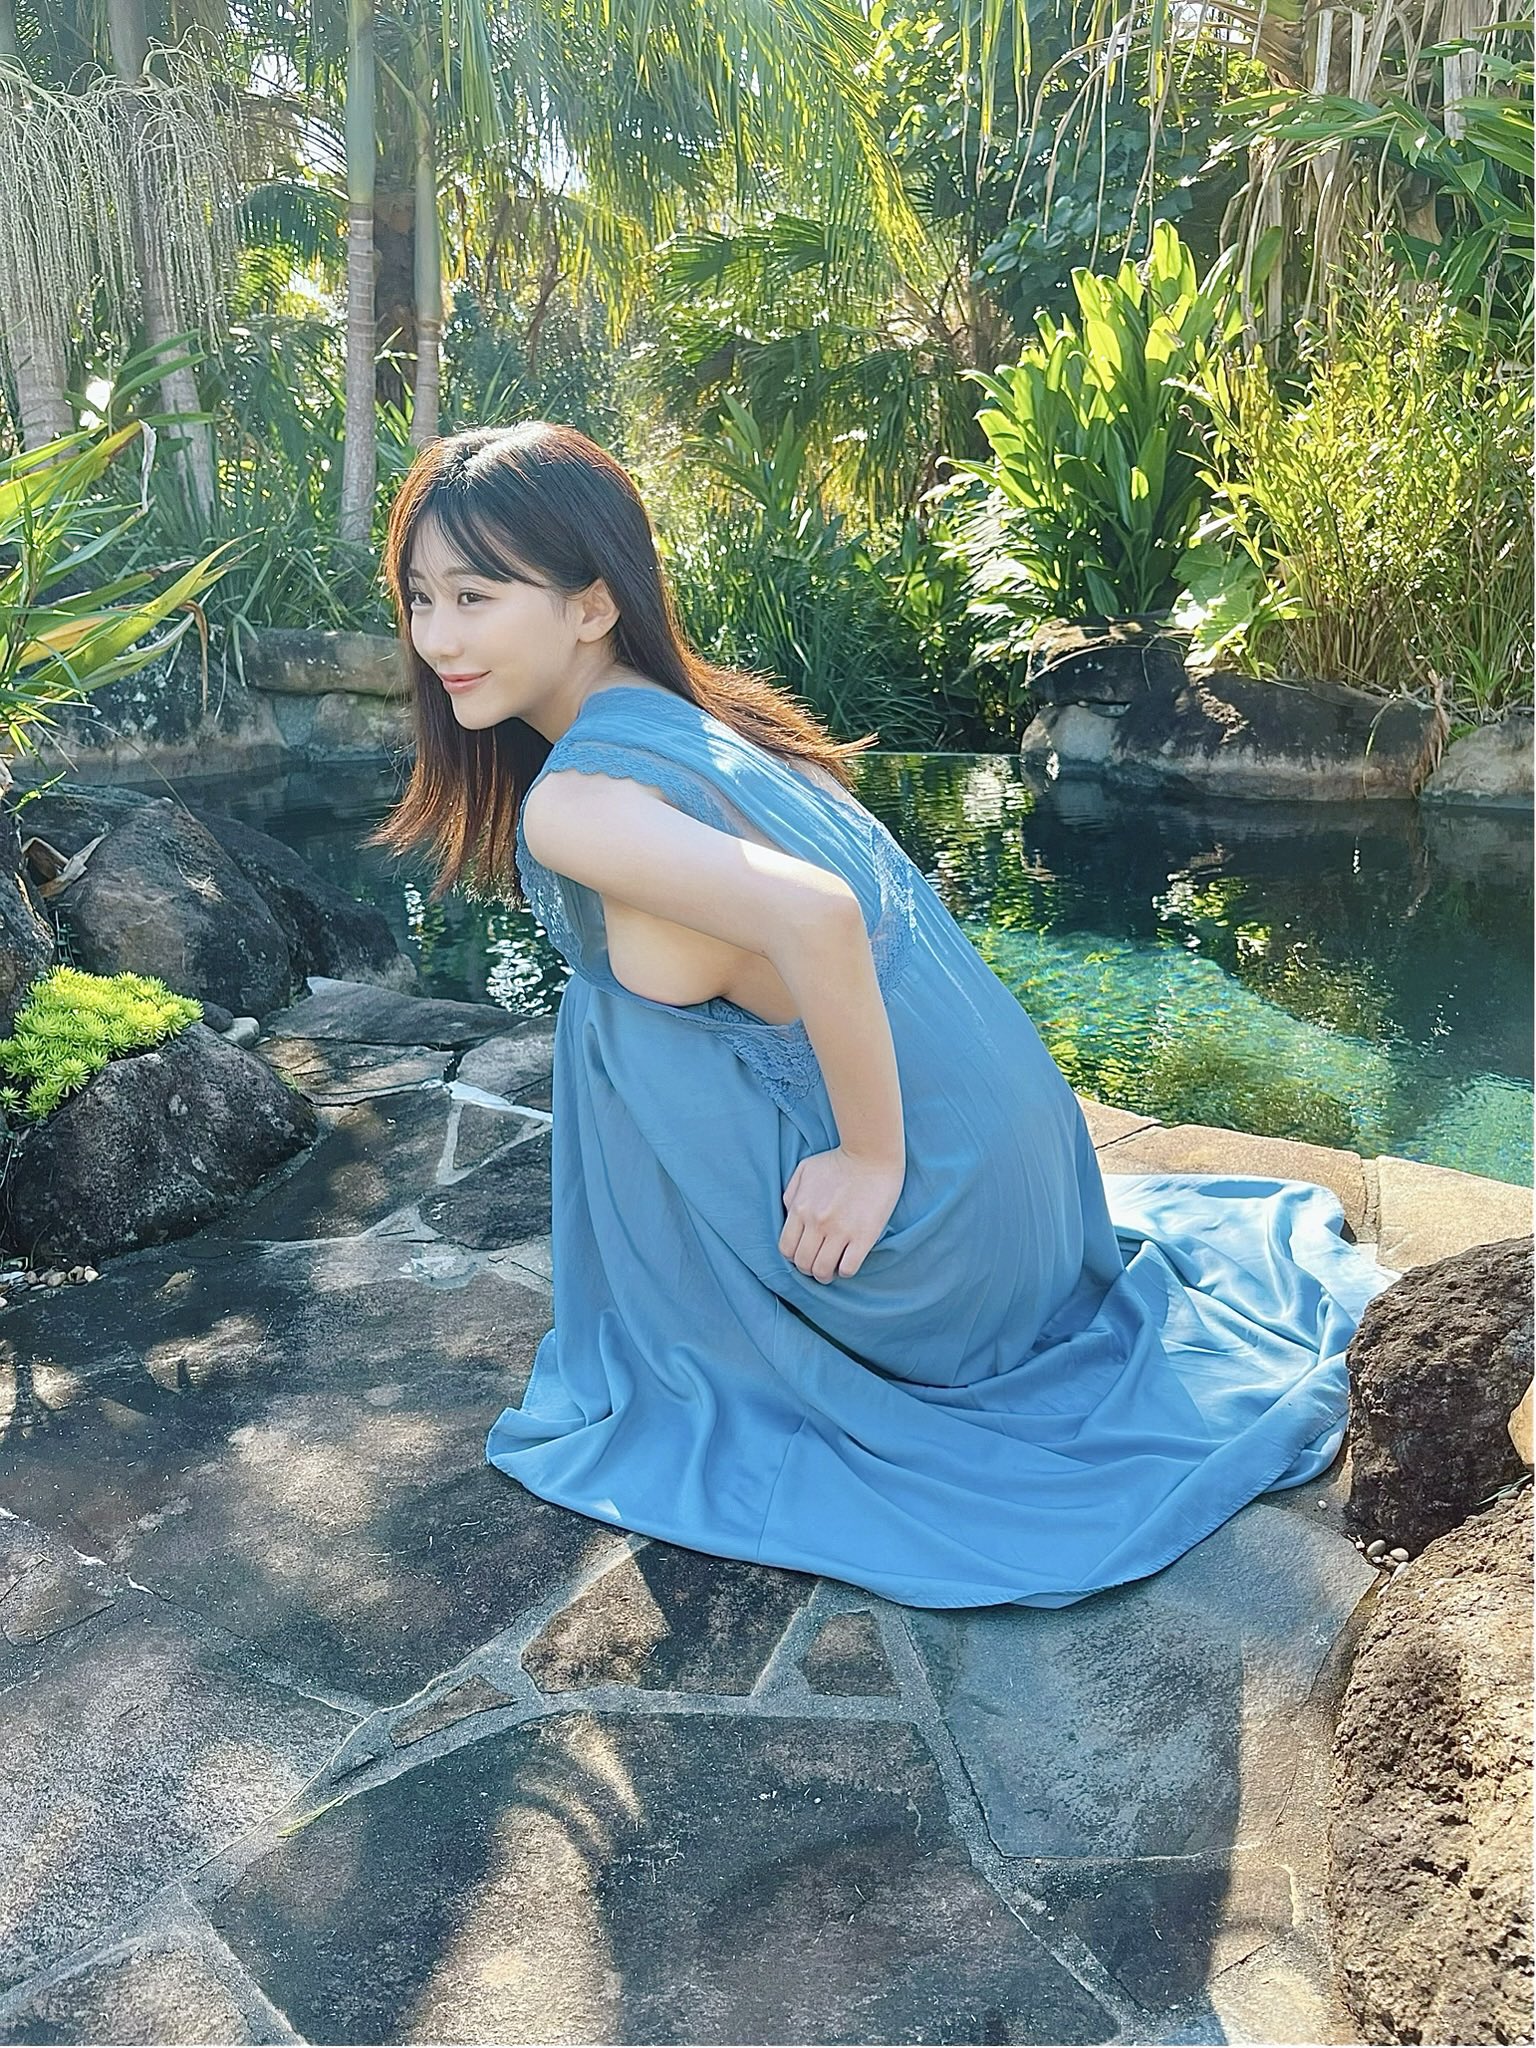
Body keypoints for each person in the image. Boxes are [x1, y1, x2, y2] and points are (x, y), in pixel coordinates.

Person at [367, 420, 1400, 1611]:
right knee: (630, 999)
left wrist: (867, 1160)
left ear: (594, 603)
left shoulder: (579, 803)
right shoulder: (713, 719)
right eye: (421, 599)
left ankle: (740, 1310)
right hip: (1035, 1206)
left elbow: (820, 917)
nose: (438, 639)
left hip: (934, 1255)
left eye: (476, 596)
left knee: (615, 1015)